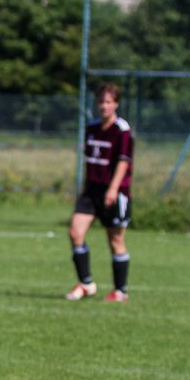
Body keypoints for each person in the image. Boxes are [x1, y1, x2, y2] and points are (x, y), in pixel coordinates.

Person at [66, 82, 134, 303]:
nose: (104, 106)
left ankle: (120, 291)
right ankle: (86, 283)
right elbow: (89, 161)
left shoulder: (122, 130)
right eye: (101, 102)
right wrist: (85, 189)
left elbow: (124, 162)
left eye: (108, 102)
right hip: (91, 191)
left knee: (114, 240)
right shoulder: (91, 128)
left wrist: (113, 189)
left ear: (116, 104)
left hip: (114, 192)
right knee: (75, 233)